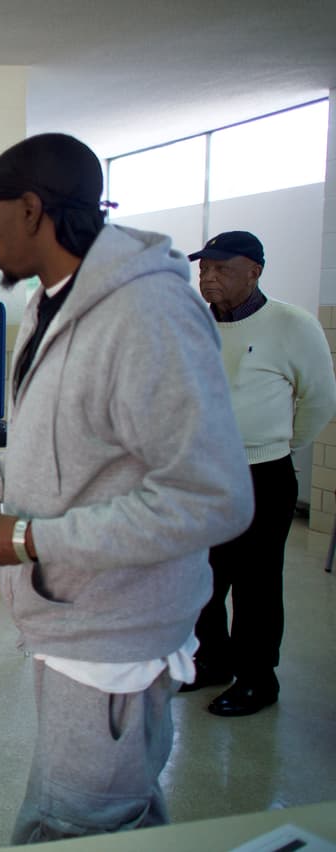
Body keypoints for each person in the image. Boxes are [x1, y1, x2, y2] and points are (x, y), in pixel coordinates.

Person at [0, 133, 254, 843]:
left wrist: (29, 538)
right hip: (73, 618)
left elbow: (213, 497)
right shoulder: (50, 306)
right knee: (113, 818)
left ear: (31, 210)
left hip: (117, 635)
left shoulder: (147, 314)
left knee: (75, 824)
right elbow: (67, 446)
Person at [181, 231, 336, 716]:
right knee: (202, 578)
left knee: (256, 583)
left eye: (221, 268)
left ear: (254, 271)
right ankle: (212, 660)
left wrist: (278, 445)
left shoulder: (292, 325)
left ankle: (257, 678)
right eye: (204, 269)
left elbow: (320, 398)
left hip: (261, 475)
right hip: (203, 474)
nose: (208, 278)